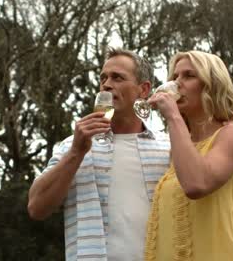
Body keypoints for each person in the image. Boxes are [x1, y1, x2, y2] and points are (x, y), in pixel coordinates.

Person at [28, 48, 171, 261]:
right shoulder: (74, 144)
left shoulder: (169, 146)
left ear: (144, 89)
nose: (106, 84)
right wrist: (76, 153)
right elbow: (36, 207)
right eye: (103, 78)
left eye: (117, 77)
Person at [144, 50, 233, 261]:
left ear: (212, 85)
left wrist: (173, 117)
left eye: (189, 76)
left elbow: (197, 184)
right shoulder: (180, 146)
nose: (177, 83)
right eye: (175, 77)